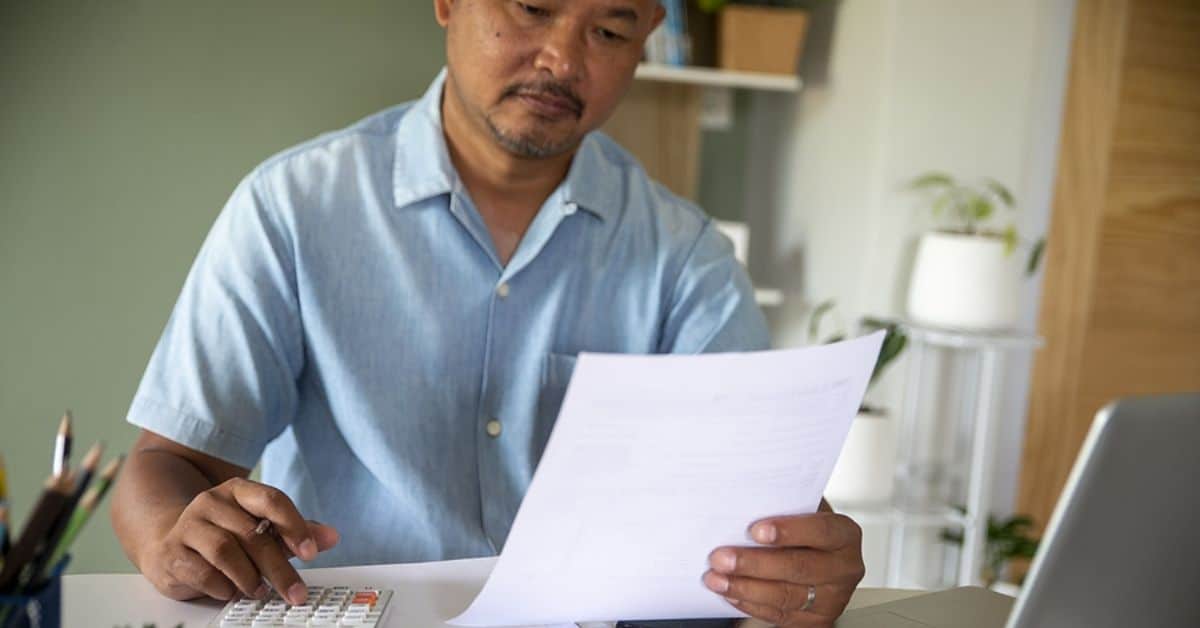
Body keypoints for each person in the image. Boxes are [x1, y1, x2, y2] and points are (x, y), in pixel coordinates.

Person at [110, 1, 865, 625]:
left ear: (643, 47)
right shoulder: (294, 209)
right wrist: (173, 541)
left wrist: (797, 564)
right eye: (533, 8)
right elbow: (168, 465)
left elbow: (752, 503)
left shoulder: (684, 255)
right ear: (447, 4)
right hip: (346, 613)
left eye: (609, 30)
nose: (564, 60)